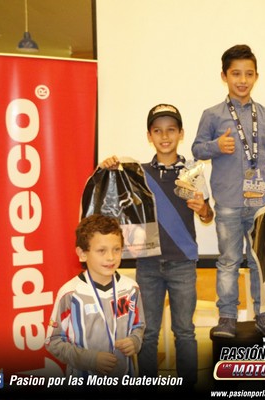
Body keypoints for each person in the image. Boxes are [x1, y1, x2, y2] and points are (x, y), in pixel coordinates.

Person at [99, 103, 214, 389]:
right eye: (158, 131)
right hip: (147, 262)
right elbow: (110, 192)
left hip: (183, 262)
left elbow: (208, 215)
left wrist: (202, 210)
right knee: (147, 333)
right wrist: (106, 167)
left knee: (184, 331)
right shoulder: (136, 172)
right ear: (149, 136)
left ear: (181, 134)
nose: (165, 136)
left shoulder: (193, 171)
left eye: (171, 130)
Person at [192, 44, 265, 338]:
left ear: (256, 76)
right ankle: (227, 317)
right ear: (224, 76)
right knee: (228, 261)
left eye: (248, 74)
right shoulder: (212, 115)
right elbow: (197, 149)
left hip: (261, 204)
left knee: (261, 262)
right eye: (236, 74)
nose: (242, 80)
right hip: (229, 203)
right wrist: (216, 146)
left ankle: (264, 315)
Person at [45, 214, 145, 378]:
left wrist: (135, 341)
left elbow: (139, 326)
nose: (111, 257)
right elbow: (53, 341)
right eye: (101, 251)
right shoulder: (70, 293)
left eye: (116, 249)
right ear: (82, 253)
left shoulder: (131, 288)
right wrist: (90, 359)